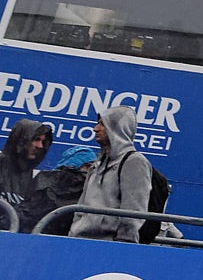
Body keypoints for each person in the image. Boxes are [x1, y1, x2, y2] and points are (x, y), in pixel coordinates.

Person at [70, 104, 167, 243]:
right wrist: (72, 234)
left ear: (117, 128)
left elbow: (134, 212)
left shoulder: (134, 161)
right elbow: (80, 209)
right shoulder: (96, 164)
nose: (95, 129)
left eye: (102, 124)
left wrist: (122, 245)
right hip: (79, 241)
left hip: (108, 245)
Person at [0, 120, 77, 233]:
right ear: (20, 140)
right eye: (36, 139)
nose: (40, 146)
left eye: (43, 142)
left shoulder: (35, 178)